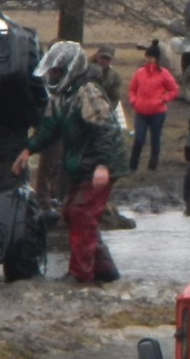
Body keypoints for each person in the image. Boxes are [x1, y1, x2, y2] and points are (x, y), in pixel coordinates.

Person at [12, 41, 127, 283]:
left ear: (69, 70)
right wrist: (28, 150)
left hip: (100, 164)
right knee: (73, 212)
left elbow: (106, 130)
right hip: (84, 164)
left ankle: (80, 275)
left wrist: (103, 166)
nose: (52, 76)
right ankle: (105, 270)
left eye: (56, 71)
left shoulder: (87, 92)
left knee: (81, 212)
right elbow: (50, 127)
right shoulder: (62, 96)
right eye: (51, 71)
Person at [127, 42, 177, 172]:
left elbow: (174, 90)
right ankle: (132, 166)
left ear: (156, 59)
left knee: (155, 140)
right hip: (141, 112)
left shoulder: (164, 73)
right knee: (139, 139)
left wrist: (162, 99)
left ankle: (152, 167)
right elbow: (132, 89)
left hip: (157, 113)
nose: (148, 60)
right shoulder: (139, 73)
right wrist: (133, 101)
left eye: (150, 57)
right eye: (146, 57)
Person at [90, 47, 124, 121]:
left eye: (107, 59)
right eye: (102, 58)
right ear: (97, 56)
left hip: (103, 112)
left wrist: (108, 111)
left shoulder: (114, 77)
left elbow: (115, 97)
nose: (104, 61)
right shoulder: (85, 70)